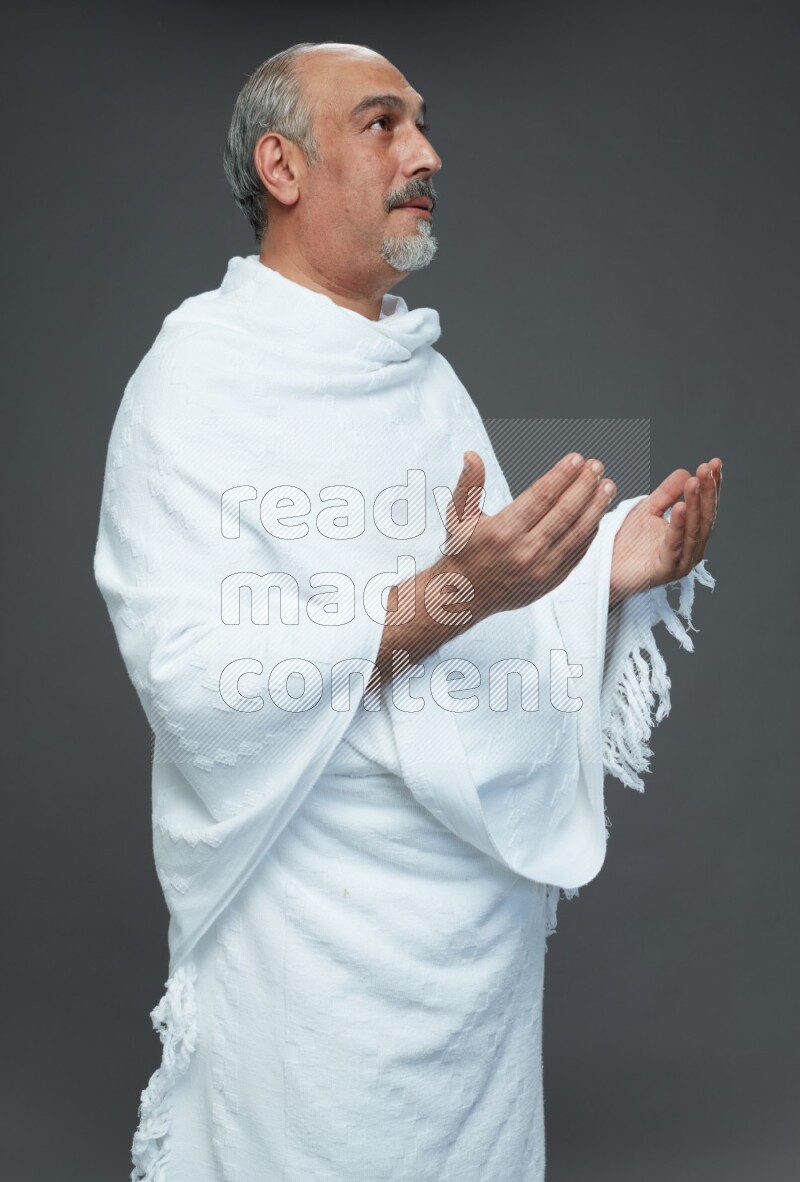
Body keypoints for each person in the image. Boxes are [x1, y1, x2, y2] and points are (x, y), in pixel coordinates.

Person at [93, 41, 721, 1182]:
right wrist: (462, 588)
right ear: (281, 166)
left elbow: (462, 607)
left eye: (421, 124)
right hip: (313, 938)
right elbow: (194, 679)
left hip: (467, 939)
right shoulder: (195, 383)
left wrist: (599, 570)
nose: (426, 153)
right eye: (383, 124)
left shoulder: (419, 376)